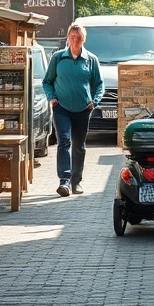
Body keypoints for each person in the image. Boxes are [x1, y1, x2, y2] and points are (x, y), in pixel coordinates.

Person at [43, 22, 103, 196]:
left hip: (83, 109)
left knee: (79, 146)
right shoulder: (58, 57)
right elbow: (47, 81)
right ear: (68, 38)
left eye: (79, 38)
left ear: (84, 39)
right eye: (72, 37)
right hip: (61, 107)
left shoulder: (91, 60)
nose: (75, 41)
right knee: (64, 142)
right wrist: (52, 98)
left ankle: (76, 182)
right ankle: (64, 181)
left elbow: (99, 84)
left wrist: (95, 101)